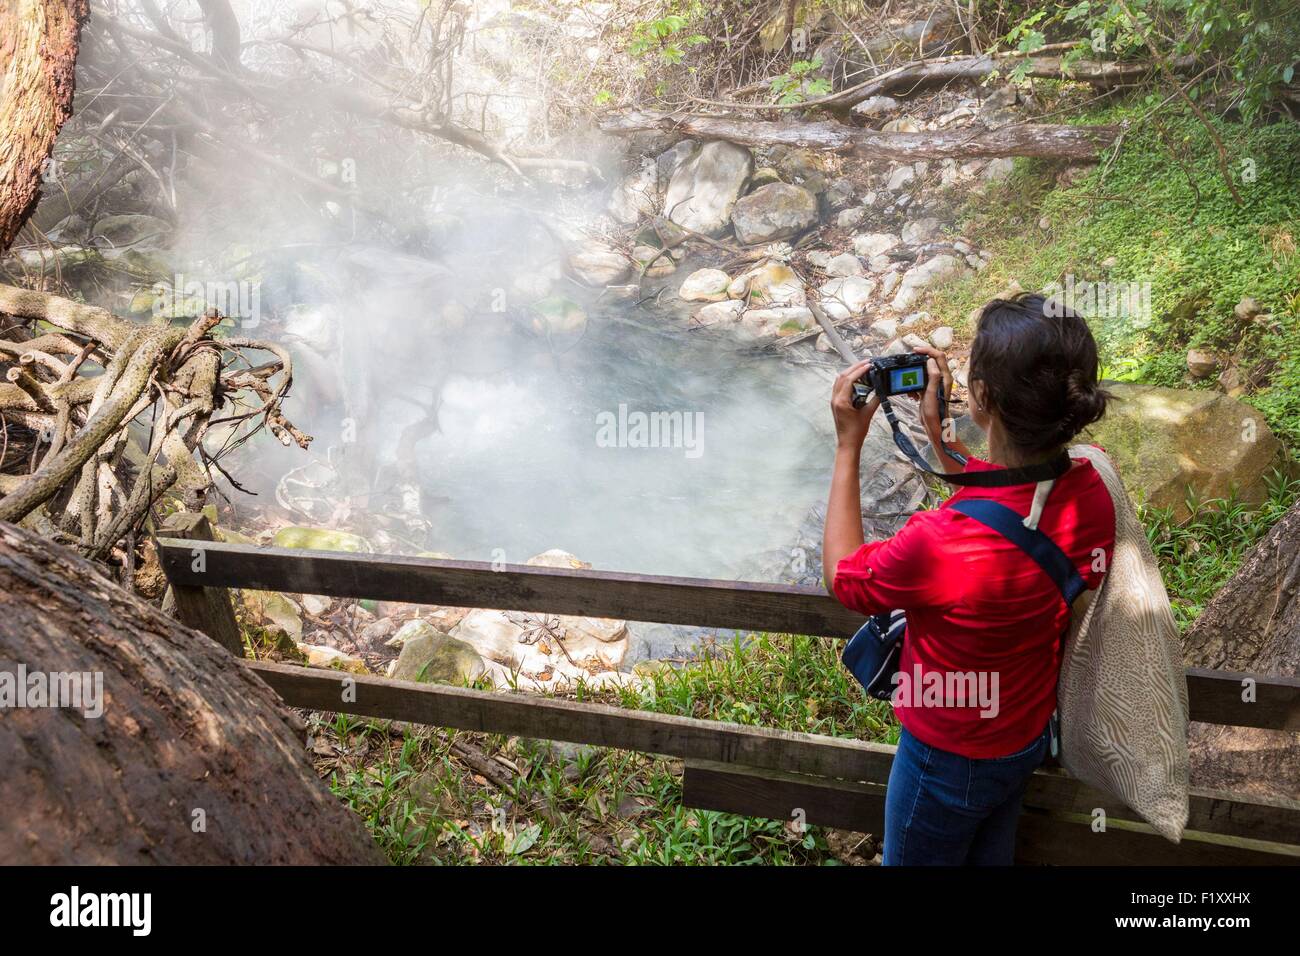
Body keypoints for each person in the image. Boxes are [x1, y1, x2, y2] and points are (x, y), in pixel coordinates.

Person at [822, 293, 1117, 865]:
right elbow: (1017, 493)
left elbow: (845, 578)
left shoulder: (939, 540)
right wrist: (941, 438)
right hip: (1024, 734)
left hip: (946, 755)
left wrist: (847, 445)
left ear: (981, 396)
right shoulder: (1093, 482)